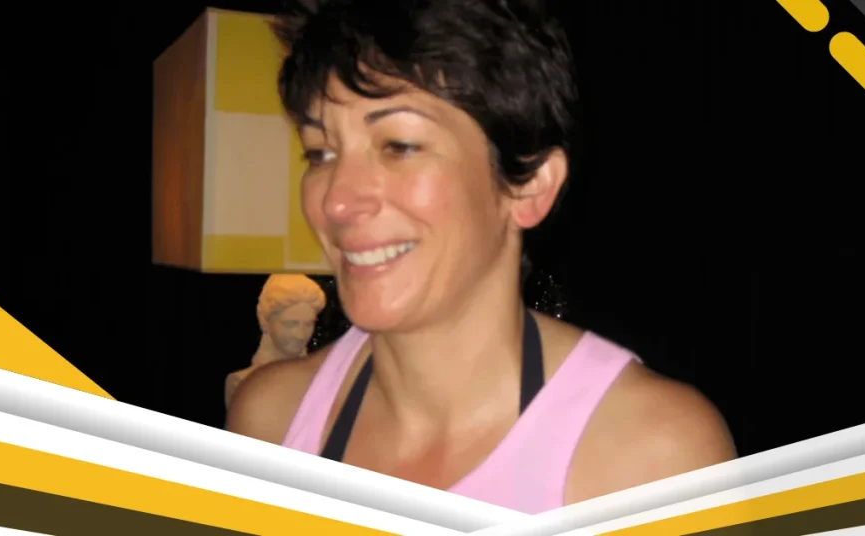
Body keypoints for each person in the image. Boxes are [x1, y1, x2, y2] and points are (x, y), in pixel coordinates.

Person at [227, 0, 736, 513]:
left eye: (399, 145)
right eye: (320, 153)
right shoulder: (270, 422)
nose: (337, 201)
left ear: (530, 186)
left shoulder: (654, 460)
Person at [225, 274, 325, 407]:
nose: (300, 335)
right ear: (265, 322)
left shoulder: (321, 380)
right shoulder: (242, 383)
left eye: (308, 324)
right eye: (290, 324)